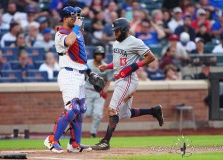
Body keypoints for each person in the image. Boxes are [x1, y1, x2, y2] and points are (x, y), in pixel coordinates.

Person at [91, 18, 164, 150]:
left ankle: (105, 141)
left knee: (113, 108)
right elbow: (120, 62)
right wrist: (107, 66)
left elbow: (151, 57)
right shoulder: (116, 43)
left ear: (124, 29)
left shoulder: (135, 42)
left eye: (117, 30)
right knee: (124, 114)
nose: (115, 33)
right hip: (119, 79)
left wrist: (134, 66)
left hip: (128, 80)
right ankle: (153, 111)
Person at [43, 6, 92, 153]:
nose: (77, 20)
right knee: (72, 109)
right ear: (65, 19)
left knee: (81, 110)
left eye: (78, 17)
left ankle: (74, 144)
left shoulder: (78, 33)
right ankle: (52, 140)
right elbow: (69, 42)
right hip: (68, 74)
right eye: (73, 17)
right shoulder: (60, 33)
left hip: (80, 74)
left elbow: (80, 57)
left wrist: (90, 72)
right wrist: (77, 27)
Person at [85, 46, 112, 138]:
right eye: (97, 54)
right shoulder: (88, 64)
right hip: (88, 90)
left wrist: (105, 90)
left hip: (99, 92)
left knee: (98, 114)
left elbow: (108, 80)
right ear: (94, 55)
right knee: (87, 113)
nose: (99, 56)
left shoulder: (105, 66)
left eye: (101, 54)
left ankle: (93, 133)